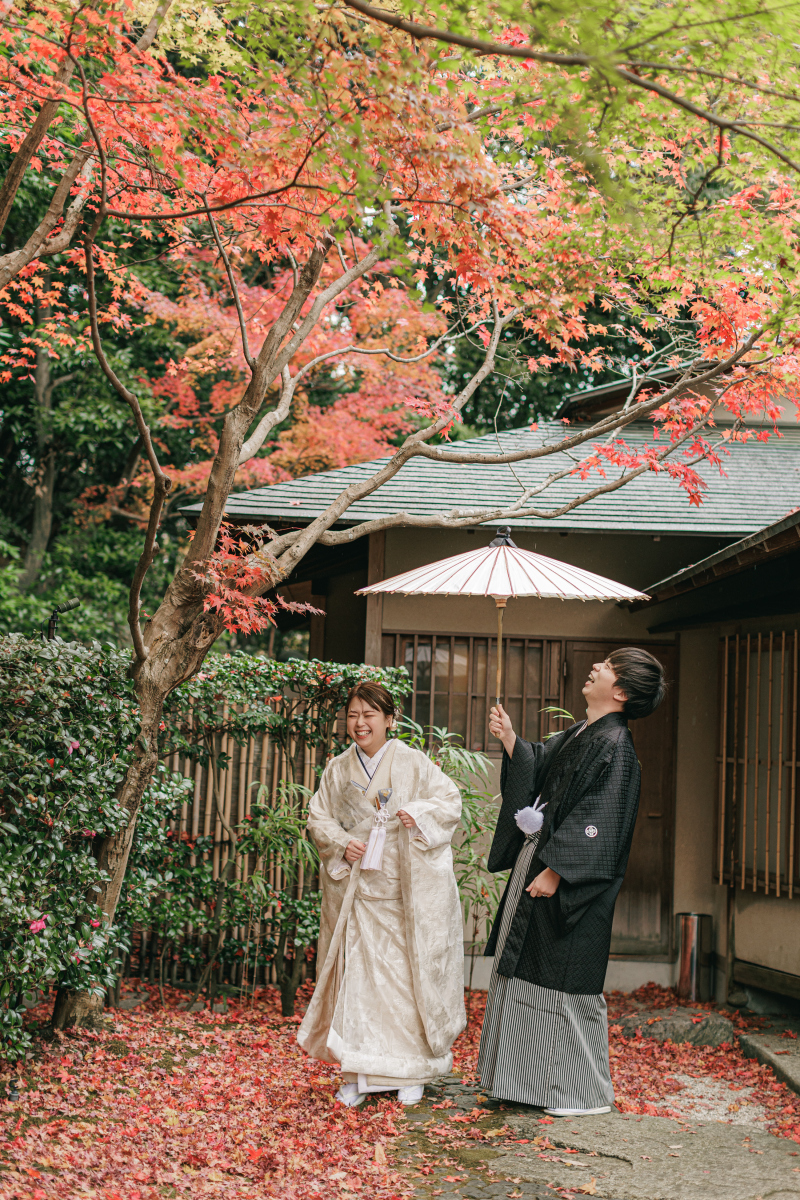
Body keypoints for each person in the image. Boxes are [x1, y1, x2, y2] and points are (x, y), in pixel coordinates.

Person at [478, 647, 666, 1117]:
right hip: (539, 864)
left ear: (620, 692)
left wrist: (557, 871)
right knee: (522, 974)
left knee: (561, 982)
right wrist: (511, 739)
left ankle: (578, 1092)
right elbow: (539, 766)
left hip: (565, 881)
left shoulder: (617, 747)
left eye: (607, 667)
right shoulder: (585, 732)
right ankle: (523, 1083)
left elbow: (598, 820)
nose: (596, 668)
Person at [297, 681, 466, 1108]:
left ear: (390, 720)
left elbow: (449, 801)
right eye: (353, 715)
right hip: (357, 892)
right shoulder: (338, 768)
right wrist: (340, 842)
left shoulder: (413, 762)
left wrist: (418, 814)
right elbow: (318, 817)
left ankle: (408, 1071)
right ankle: (358, 1073)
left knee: (403, 985)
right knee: (358, 984)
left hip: (403, 893)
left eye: (369, 715)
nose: (359, 723)